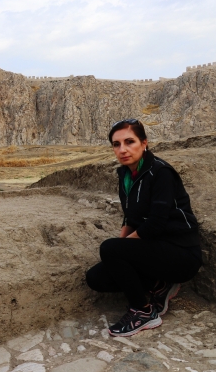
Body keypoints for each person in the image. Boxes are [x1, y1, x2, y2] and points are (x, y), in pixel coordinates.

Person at [86, 119, 201, 337]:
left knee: (110, 249)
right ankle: (159, 286)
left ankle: (143, 311)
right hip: (153, 250)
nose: (123, 149)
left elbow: (156, 223)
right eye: (116, 144)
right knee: (96, 277)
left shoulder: (161, 172)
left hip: (181, 253)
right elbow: (131, 217)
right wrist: (118, 250)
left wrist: (118, 249)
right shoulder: (125, 175)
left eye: (129, 142)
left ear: (144, 143)